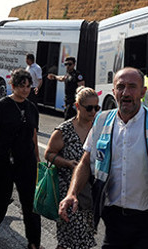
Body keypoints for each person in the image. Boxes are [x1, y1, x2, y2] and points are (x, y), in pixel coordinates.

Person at [59, 67, 148, 249]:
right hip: (113, 221)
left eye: (132, 87)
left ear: (143, 92)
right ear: (113, 92)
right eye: (120, 87)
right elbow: (86, 162)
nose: (126, 92)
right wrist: (72, 194)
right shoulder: (102, 120)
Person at [0, 69, 41, 248]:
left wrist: (37, 157)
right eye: (21, 86)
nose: (25, 90)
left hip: (26, 160)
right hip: (2, 158)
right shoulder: (1, 106)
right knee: (2, 195)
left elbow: (34, 134)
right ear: (13, 86)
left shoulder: (32, 108)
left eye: (28, 86)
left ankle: (34, 241)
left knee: (30, 201)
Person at [44, 86, 99, 249]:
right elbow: (49, 154)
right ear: (77, 106)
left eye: (97, 107)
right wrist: (68, 163)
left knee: (80, 237)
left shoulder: (98, 129)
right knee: (74, 239)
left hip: (91, 193)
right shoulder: (64, 130)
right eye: (89, 108)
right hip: (69, 192)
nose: (93, 112)